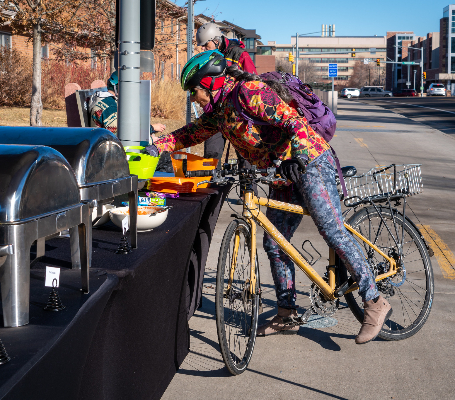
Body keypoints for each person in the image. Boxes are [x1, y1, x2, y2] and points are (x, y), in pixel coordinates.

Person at [145, 50, 392, 344]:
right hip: (281, 172)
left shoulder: (249, 93)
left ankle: (374, 301)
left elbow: (294, 123)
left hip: (309, 161)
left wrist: (296, 157)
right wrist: (159, 146)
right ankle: (286, 314)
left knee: (331, 230)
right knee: (274, 243)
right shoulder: (220, 111)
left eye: (194, 90)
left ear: (210, 82)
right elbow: (191, 133)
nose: (192, 98)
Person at [196, 22, 256, 162]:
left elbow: (254, 84)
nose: (203, 49)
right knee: (210, 158)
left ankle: (247, 184)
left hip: (239, 116)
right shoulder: (208, 57)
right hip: (217, 113)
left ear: (216, 41)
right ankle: (211, 183)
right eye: (202, 46)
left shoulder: (240, 55)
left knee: (246, 161)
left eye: (206, 45)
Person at [90, 71, 166, 135]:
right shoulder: (109, 106)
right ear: (118, 88)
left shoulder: (108, 101)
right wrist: (151, 128)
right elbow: (124, 133)